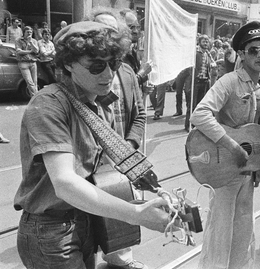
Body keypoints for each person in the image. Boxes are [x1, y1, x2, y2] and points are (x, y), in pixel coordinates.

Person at [13, 21, 172, 269]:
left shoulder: (98, 103)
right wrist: (137, 214)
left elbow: (109, 165)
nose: (108, 75)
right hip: (51, 230)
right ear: (67, 63)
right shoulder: (48, 104)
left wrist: (157, 190)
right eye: (97, 66)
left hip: (84, 220)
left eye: (113, 64)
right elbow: (65, 183)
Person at [191, 21, 260, 269]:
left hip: (246, 173)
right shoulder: (229, 81)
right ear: (241, 54)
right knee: (220, 234)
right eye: (253, 50)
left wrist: (258, 166)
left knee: (243, 231)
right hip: (224, 171)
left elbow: (258, 131)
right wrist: (232, 145)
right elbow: (200, 114)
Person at [86, 7, 150, 269]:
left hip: (120, 162)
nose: (107, 38)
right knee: (88, 226)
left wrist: (129, 147)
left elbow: (140, 114)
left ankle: (121, 262)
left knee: (119, 222)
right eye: (100, 32)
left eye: (113, 32)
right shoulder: (80, 73)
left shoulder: (125, 72)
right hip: (87, 163)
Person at [15, 26, 39, 96]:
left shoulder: (34, 41)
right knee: (29, 82)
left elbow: (37, 51)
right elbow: (19, 51)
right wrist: (30, 51)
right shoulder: (18, 40)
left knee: (35, 82)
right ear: (24, 32)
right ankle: (35, 97)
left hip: (33, 62)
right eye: (27, 32)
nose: (29, 34)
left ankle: (34, 98)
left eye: (30, 32)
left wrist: (31, 42)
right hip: (23, 63)